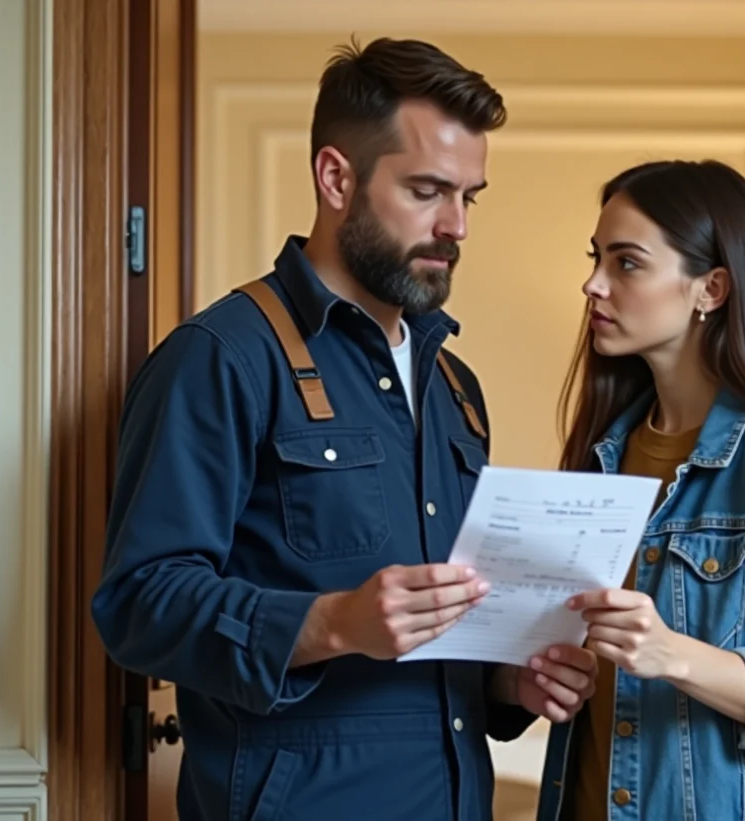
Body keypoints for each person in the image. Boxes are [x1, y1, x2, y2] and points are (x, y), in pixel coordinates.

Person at [91, 37, 598, 821]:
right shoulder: (220, 357)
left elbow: (442, 639)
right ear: (335, 178)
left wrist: (509, 683)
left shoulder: (456, 389)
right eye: (427, 190)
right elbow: (138, 605)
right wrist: (330, 622)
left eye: (470, 197)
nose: (456, 226)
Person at [534, 159, 745, 821]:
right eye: (596, 258)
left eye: (627, 263)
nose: (593, 283)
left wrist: (671, 654)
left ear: (711, 289)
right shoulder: (602, 457)